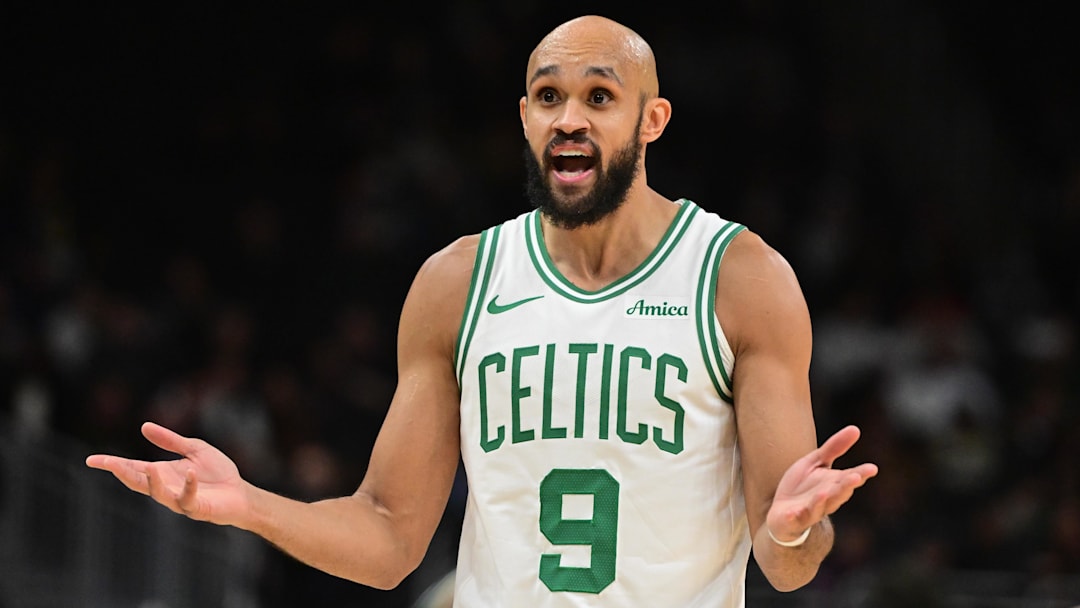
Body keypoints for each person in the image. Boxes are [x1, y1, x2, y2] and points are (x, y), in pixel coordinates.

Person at [86, 14, 879, 607]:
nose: (570, 117)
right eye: (549, 96)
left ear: (652, 120)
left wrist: (795, 530)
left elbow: (786, 560)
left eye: (600, 96)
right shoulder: (458, 282)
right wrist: (250, 505)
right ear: (525, 118)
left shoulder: (739, 278)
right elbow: (389, 536)